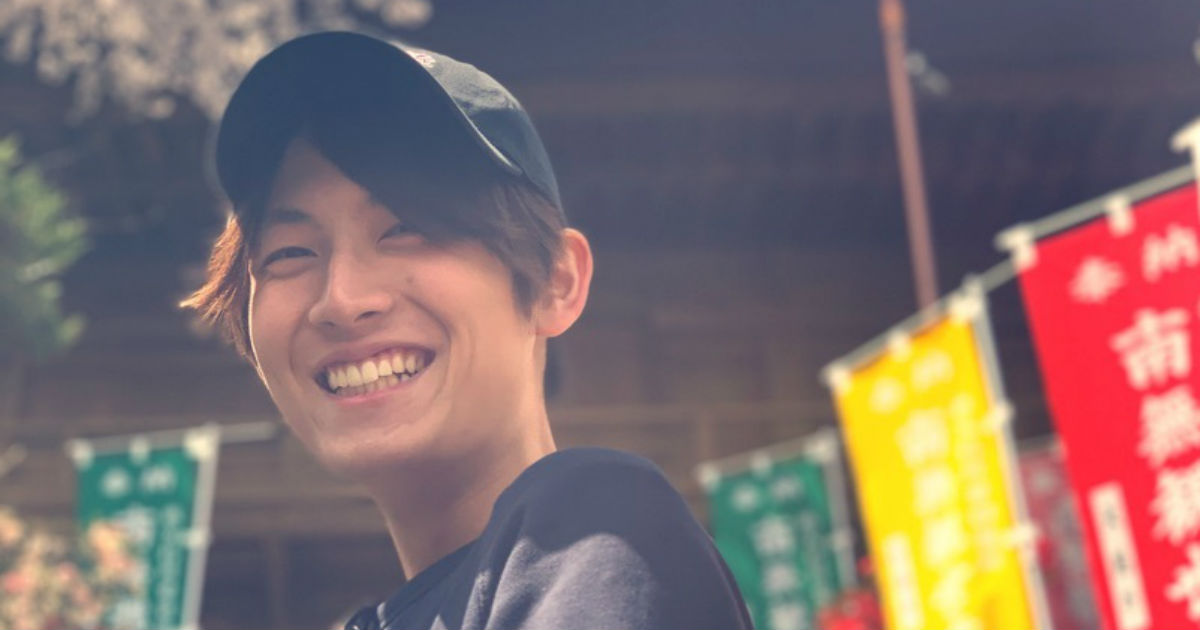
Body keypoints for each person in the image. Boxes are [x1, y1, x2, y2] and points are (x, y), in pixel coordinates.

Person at [183, 31, 753, 630]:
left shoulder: (596, 528)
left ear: (554, 282)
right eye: (290, 253)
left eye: (407, 228)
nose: (341, 300)